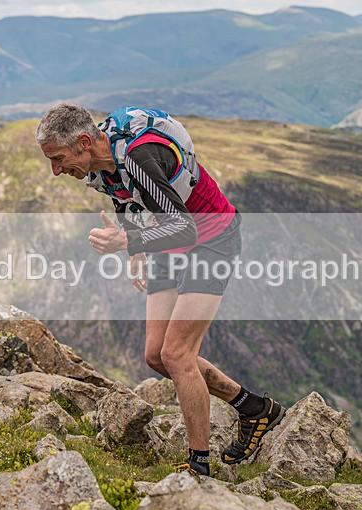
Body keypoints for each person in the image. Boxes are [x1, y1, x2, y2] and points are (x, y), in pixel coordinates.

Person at [36, 103, 286, 477]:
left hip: (211, 238)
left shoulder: (137, 157)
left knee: (177, 354)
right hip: (169, 242)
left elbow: (186, 229)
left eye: (58, 159)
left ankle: (199, 467)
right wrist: (137, 245)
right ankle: (255, 409)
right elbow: (123, 196)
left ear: (84, 142)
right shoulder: (100, 160)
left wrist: (127, 242)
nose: (56, 171)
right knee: (156, 355)